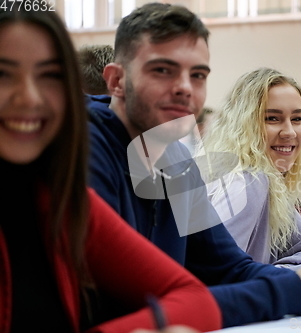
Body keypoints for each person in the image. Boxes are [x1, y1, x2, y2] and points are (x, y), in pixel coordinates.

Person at [87, 3, 301, 328]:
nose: (185, 87)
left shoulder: (176, 161)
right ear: (116, 80)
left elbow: (229, 268)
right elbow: (144, 303)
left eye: (197, 75)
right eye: (163, 70)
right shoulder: (85, 147)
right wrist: (300, 290)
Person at [0, 7, 221, 333]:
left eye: (50, 75)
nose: (30, 98)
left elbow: (195, 297)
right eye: (3, 74)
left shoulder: (57, 198)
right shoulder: (94, 146)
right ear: (114, 81)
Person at [202, 67, 301, 268]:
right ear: (243, 125)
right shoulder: (250, 180)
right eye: (272, 118)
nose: (289, 132)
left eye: (297, 119)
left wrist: (277, 273)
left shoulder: (270, 182)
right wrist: (284, 279)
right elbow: (215, 273)